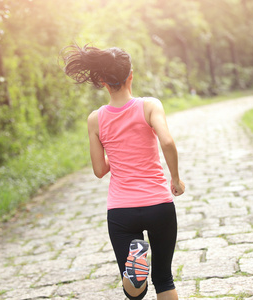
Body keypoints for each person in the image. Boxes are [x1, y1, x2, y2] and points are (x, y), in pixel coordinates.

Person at [62, 44, 185, 300]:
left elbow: (99, 169)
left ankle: (135, 272)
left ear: (103, 81)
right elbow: (168, 142)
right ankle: (138, 271)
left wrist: (117, 150)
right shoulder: (149, 106)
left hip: (121, 211)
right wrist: (175, 178)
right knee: (164, 278)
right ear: (131, 75)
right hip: (158, 205)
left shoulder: (95, 119)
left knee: (134, 293)